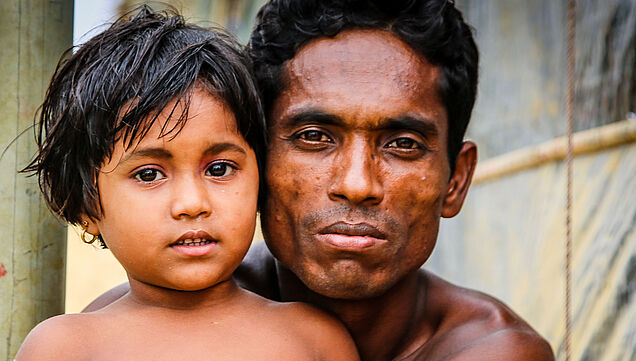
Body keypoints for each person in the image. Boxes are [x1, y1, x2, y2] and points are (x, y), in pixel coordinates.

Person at [85, 1, 556, 360]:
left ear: (455, 180)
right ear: (256, 159)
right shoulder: (127, 328)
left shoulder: (491, 351)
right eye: (314, 137)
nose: (356, 184)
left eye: (403, 144)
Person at [15, 7, 359, 361]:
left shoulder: (312, 340)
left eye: (220, 169)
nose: (193, 203)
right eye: (149, 174)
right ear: (86, 207)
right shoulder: (66, 347)